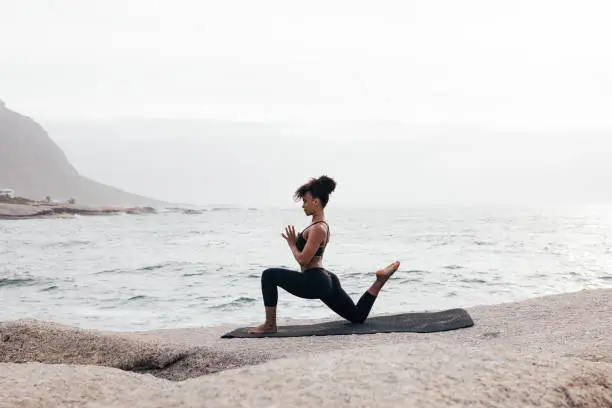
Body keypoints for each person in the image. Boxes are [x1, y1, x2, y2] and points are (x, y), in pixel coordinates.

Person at [248, 175, 400, 334]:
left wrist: (293, 244)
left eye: (305, 201)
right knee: (357, 316)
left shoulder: (317, 229)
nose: (303, 206)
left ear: (316, 202)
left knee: (268, 276)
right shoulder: (320, 226)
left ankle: (270, 325)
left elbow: (303, 260)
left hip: (314, 280)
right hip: (326, 279)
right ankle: (380, 281)